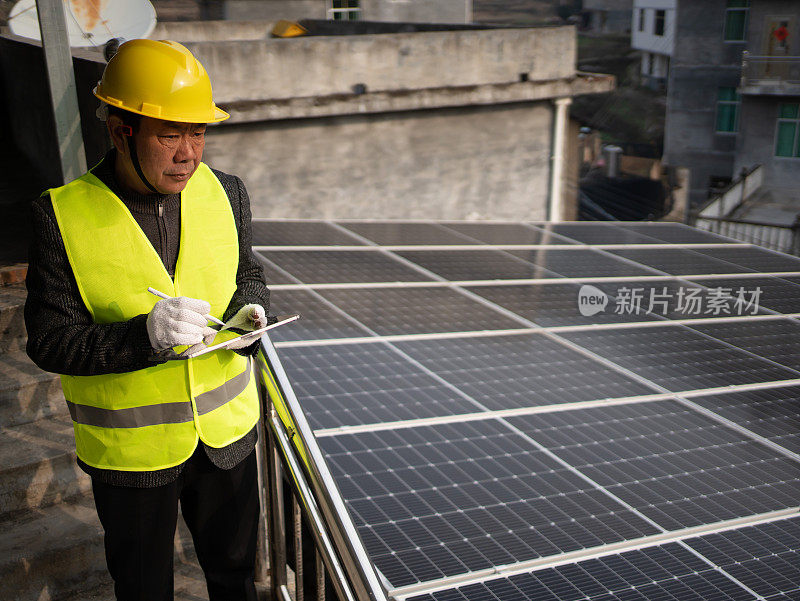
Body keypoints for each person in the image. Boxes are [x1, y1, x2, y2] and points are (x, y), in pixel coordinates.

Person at [24, 39, 270, 601]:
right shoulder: (59, 215)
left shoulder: (228, 192)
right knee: (143, 587)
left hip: (227, 439)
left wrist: (252, 310)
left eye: (197, 132)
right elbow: (50, 341)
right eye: (169, 134)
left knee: (235, 578)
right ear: (120, 130)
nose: (189, 154)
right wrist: (143, 338)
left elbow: (246, 274)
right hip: (133, 458)